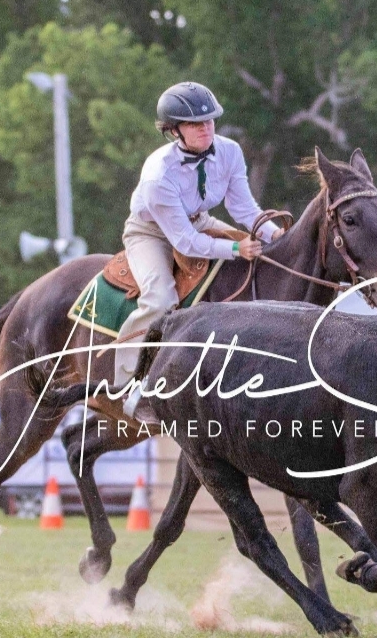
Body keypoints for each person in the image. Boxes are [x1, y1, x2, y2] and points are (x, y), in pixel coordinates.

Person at [115, 81, 285, 424]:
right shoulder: (158, 175)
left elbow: (243, 208)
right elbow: (185, 242)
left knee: (258, 262)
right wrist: (235, 247)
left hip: (199, 220)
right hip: (152, 232)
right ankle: (128, 385)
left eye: (209, 120)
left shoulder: (230, 151)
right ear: (173, 130)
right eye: (195, 124)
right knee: (160, 298)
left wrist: (276, 234)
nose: (206, 128)